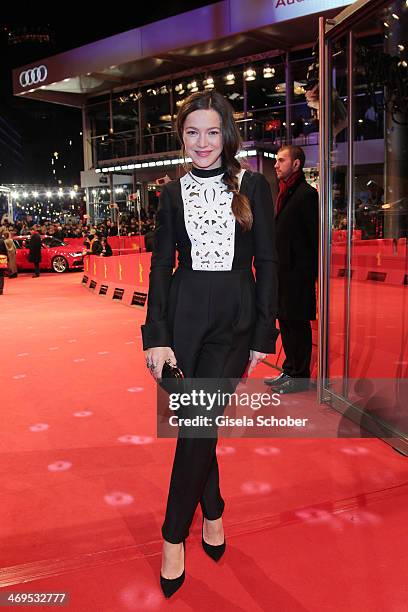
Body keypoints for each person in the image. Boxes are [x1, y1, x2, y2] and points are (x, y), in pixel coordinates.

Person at [141, 90, 278, 597]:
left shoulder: (253, 186)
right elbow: (160, 266)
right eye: (192, 132)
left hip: (235, 319)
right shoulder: (173, 192)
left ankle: (173, 534)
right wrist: (157, 337)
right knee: (198, 425)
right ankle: (213, 508)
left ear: (227, 134)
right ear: (182, 136)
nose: (202, 142)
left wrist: (265, 331)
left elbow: (268, 262)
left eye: (212, 131)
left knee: (198, 424)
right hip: (183, 318)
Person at [265, 145, 318, 393]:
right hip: (283, 274)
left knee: (298, 326)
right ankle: (289, 369)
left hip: (298, 276)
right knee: (285, 323)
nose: (276, 164)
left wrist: (306, 277)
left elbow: (311, 239)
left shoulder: (307, 194)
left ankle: (300, 376)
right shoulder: (284, 192)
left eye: (281, 160)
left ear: (296, 164)